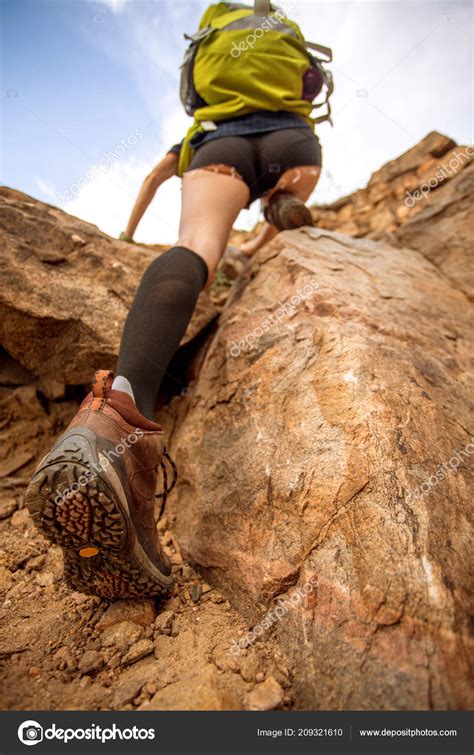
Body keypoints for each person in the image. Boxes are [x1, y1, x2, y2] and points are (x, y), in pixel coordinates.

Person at [25, 1, 328, 599]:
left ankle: (117, 418)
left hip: (223, 148)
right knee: (281, 195)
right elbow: (313, 86)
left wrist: (130, 235)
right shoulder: (282, 38)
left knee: (194, 247)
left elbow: (151, 182)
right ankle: (276, 211)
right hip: (298, 145)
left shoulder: (198, 126)